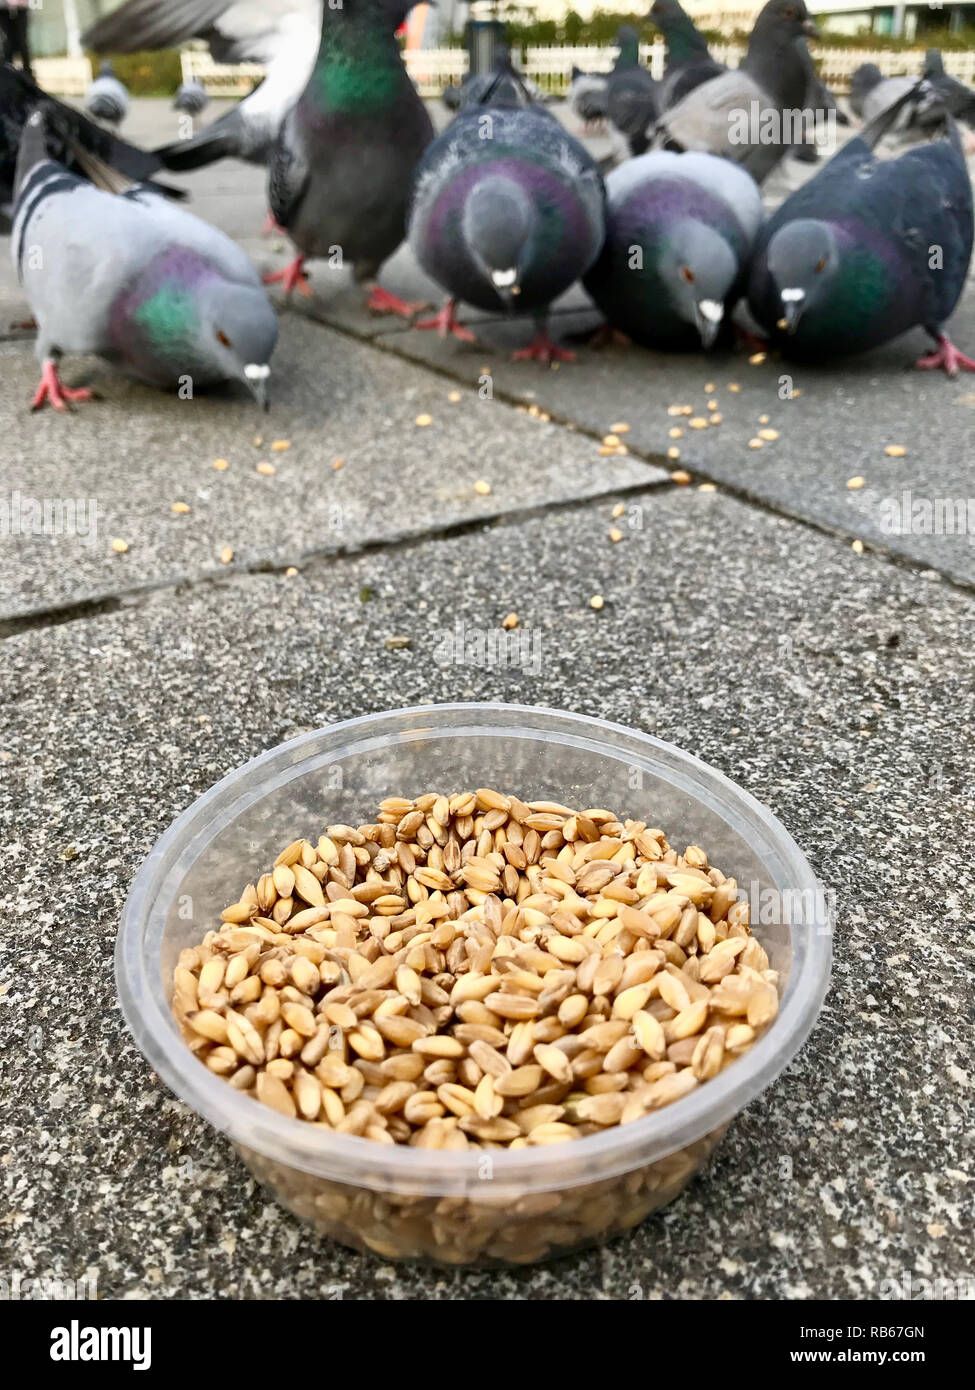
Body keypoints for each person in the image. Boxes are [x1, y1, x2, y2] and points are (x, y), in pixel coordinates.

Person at [0, 0, 33, 80]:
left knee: (22, 43)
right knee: (6, 44)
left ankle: (28, 76)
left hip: (21, 7)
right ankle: (7, 76)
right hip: (2, 8)